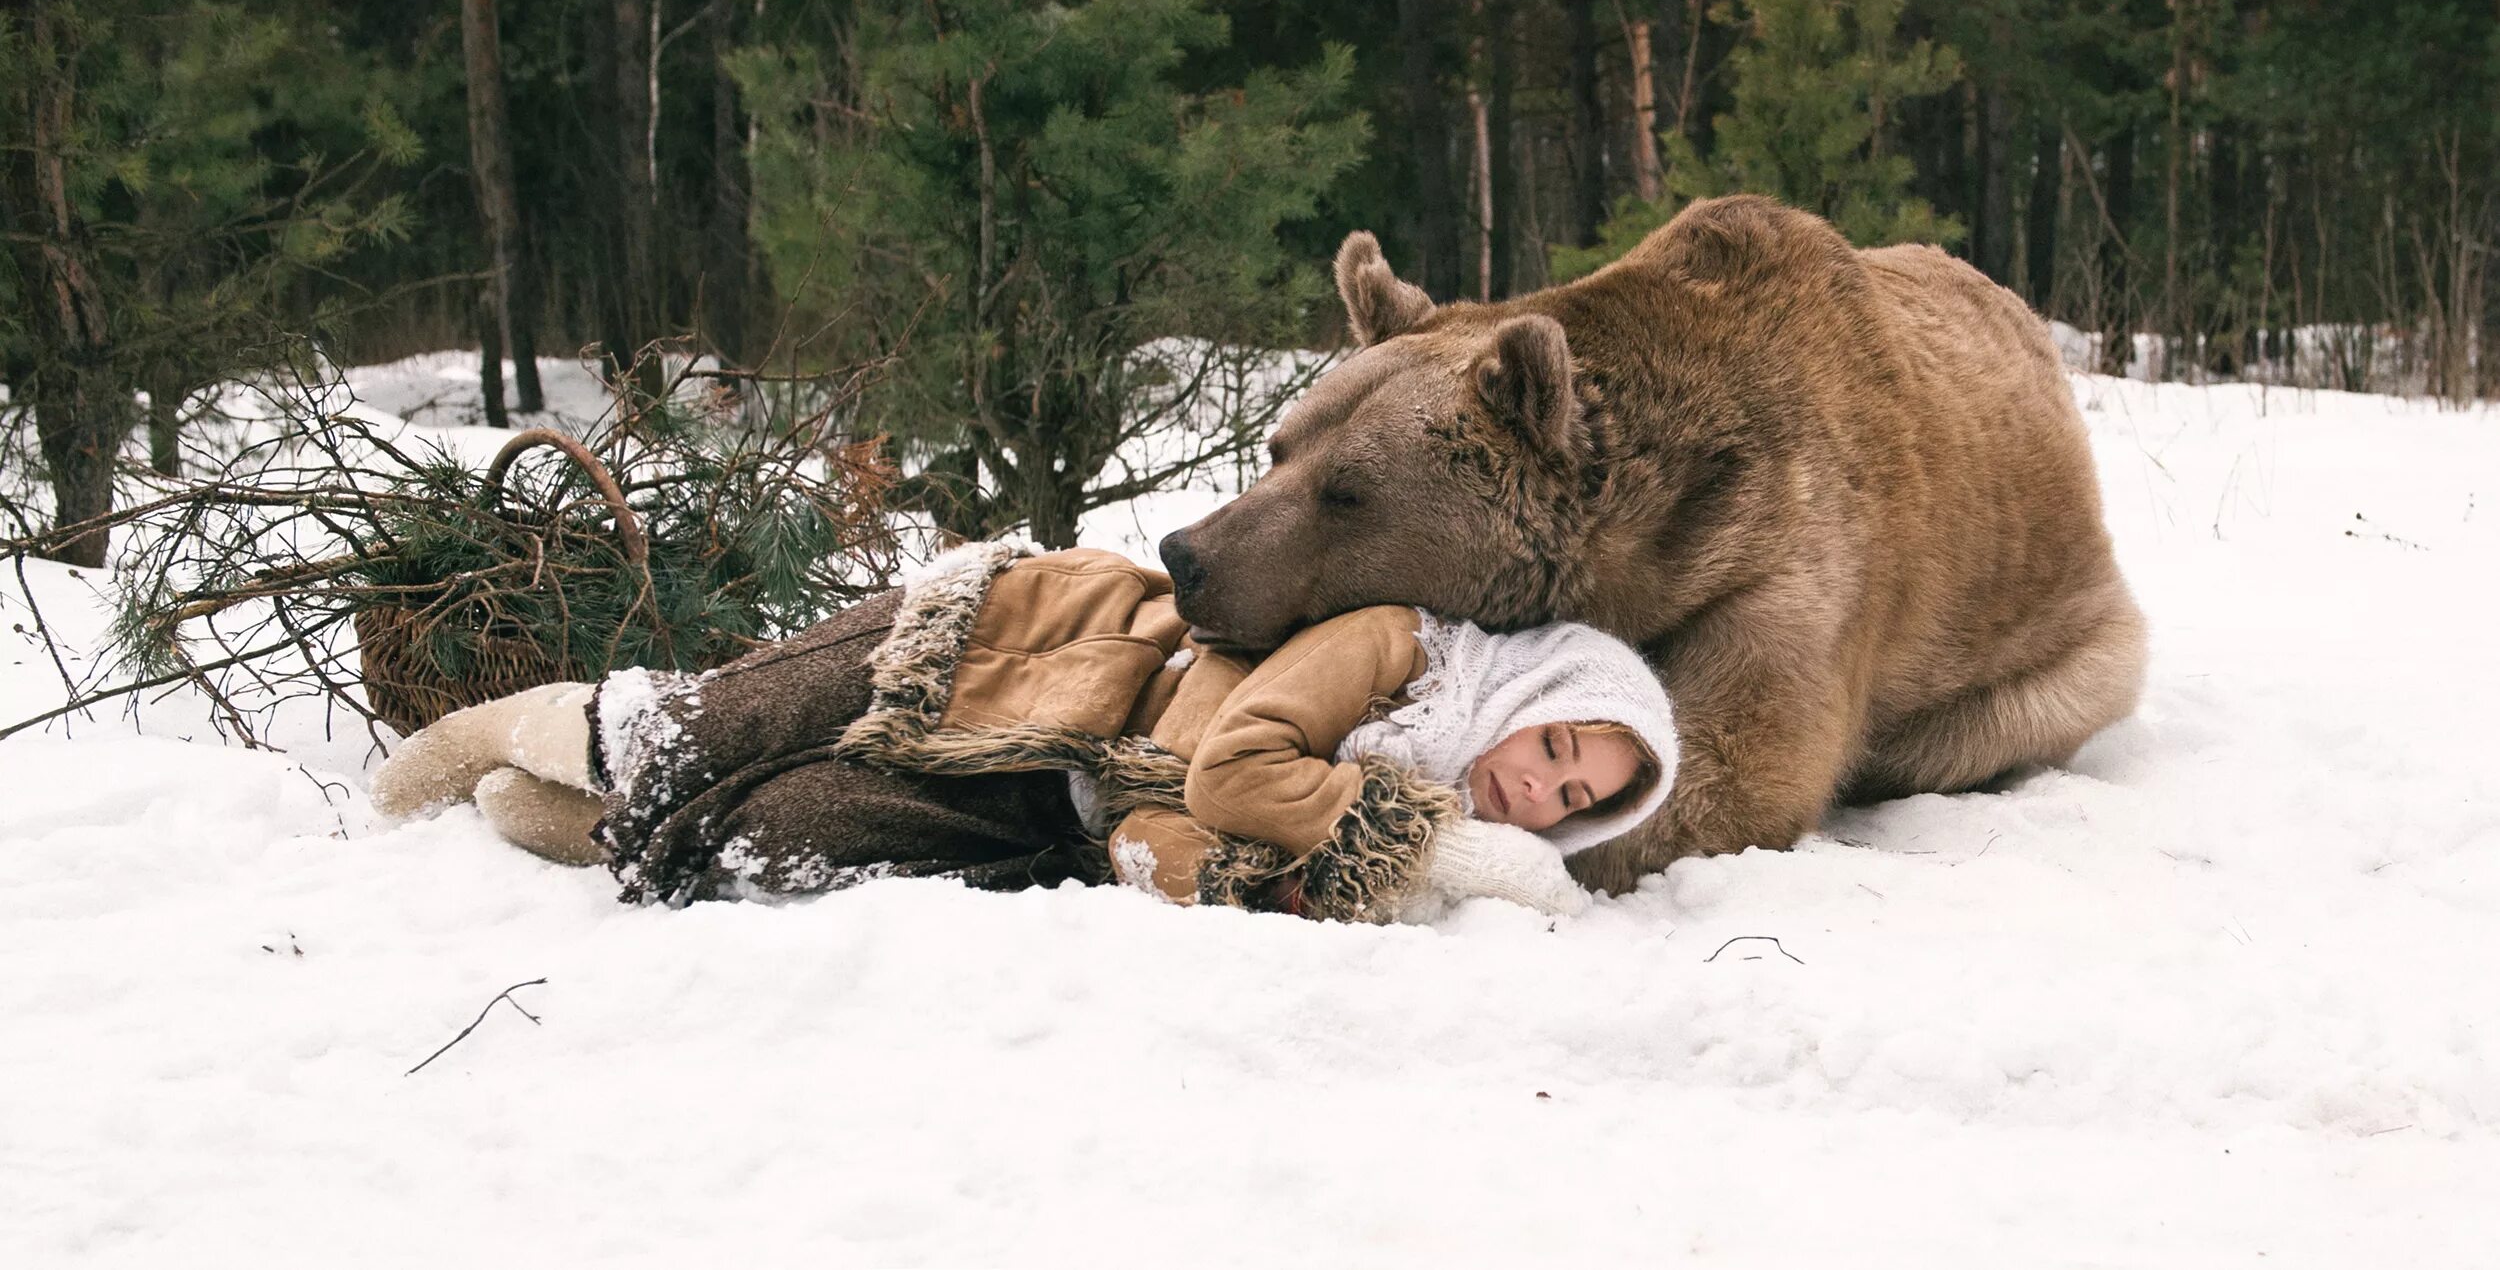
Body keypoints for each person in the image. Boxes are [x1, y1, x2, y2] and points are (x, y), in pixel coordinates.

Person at [371, 542, 1675, 923]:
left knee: (770, 841)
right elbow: (1230, 763)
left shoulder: (1396, 852)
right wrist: (1428, 841)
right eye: (1559, 750)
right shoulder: (1404, 649)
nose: (1538, 791)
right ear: (1534, 698)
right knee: (716, 726)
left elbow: (1207, 851)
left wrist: (1211, 870)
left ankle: (555, 816)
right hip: (1035, 648)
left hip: (1049, 810)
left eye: (1573, 805)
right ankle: (496, 734)